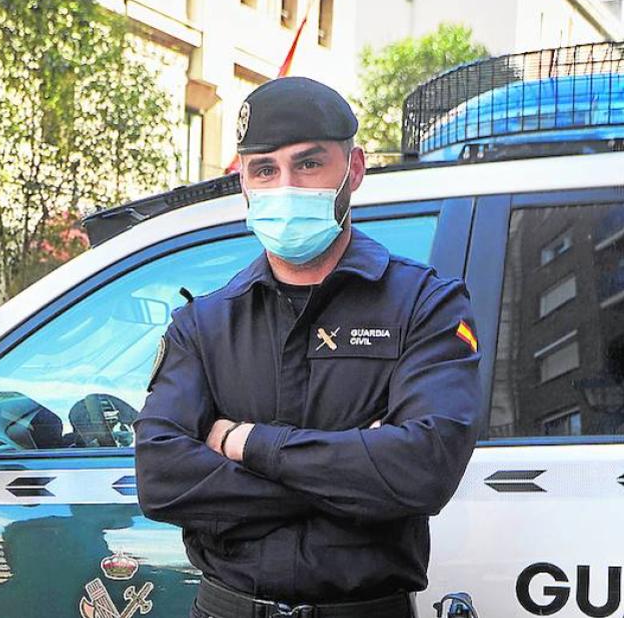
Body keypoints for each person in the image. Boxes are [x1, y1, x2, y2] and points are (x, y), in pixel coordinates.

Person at [135, 77, 482, 618]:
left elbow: (422, 470)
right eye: (265, 169)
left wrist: (245, 443)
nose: (285, 185)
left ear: (355, 169)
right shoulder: (203, 323)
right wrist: (354, 479)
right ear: (244, 184)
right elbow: (160, 477)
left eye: (309, 164)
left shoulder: (425, 306)